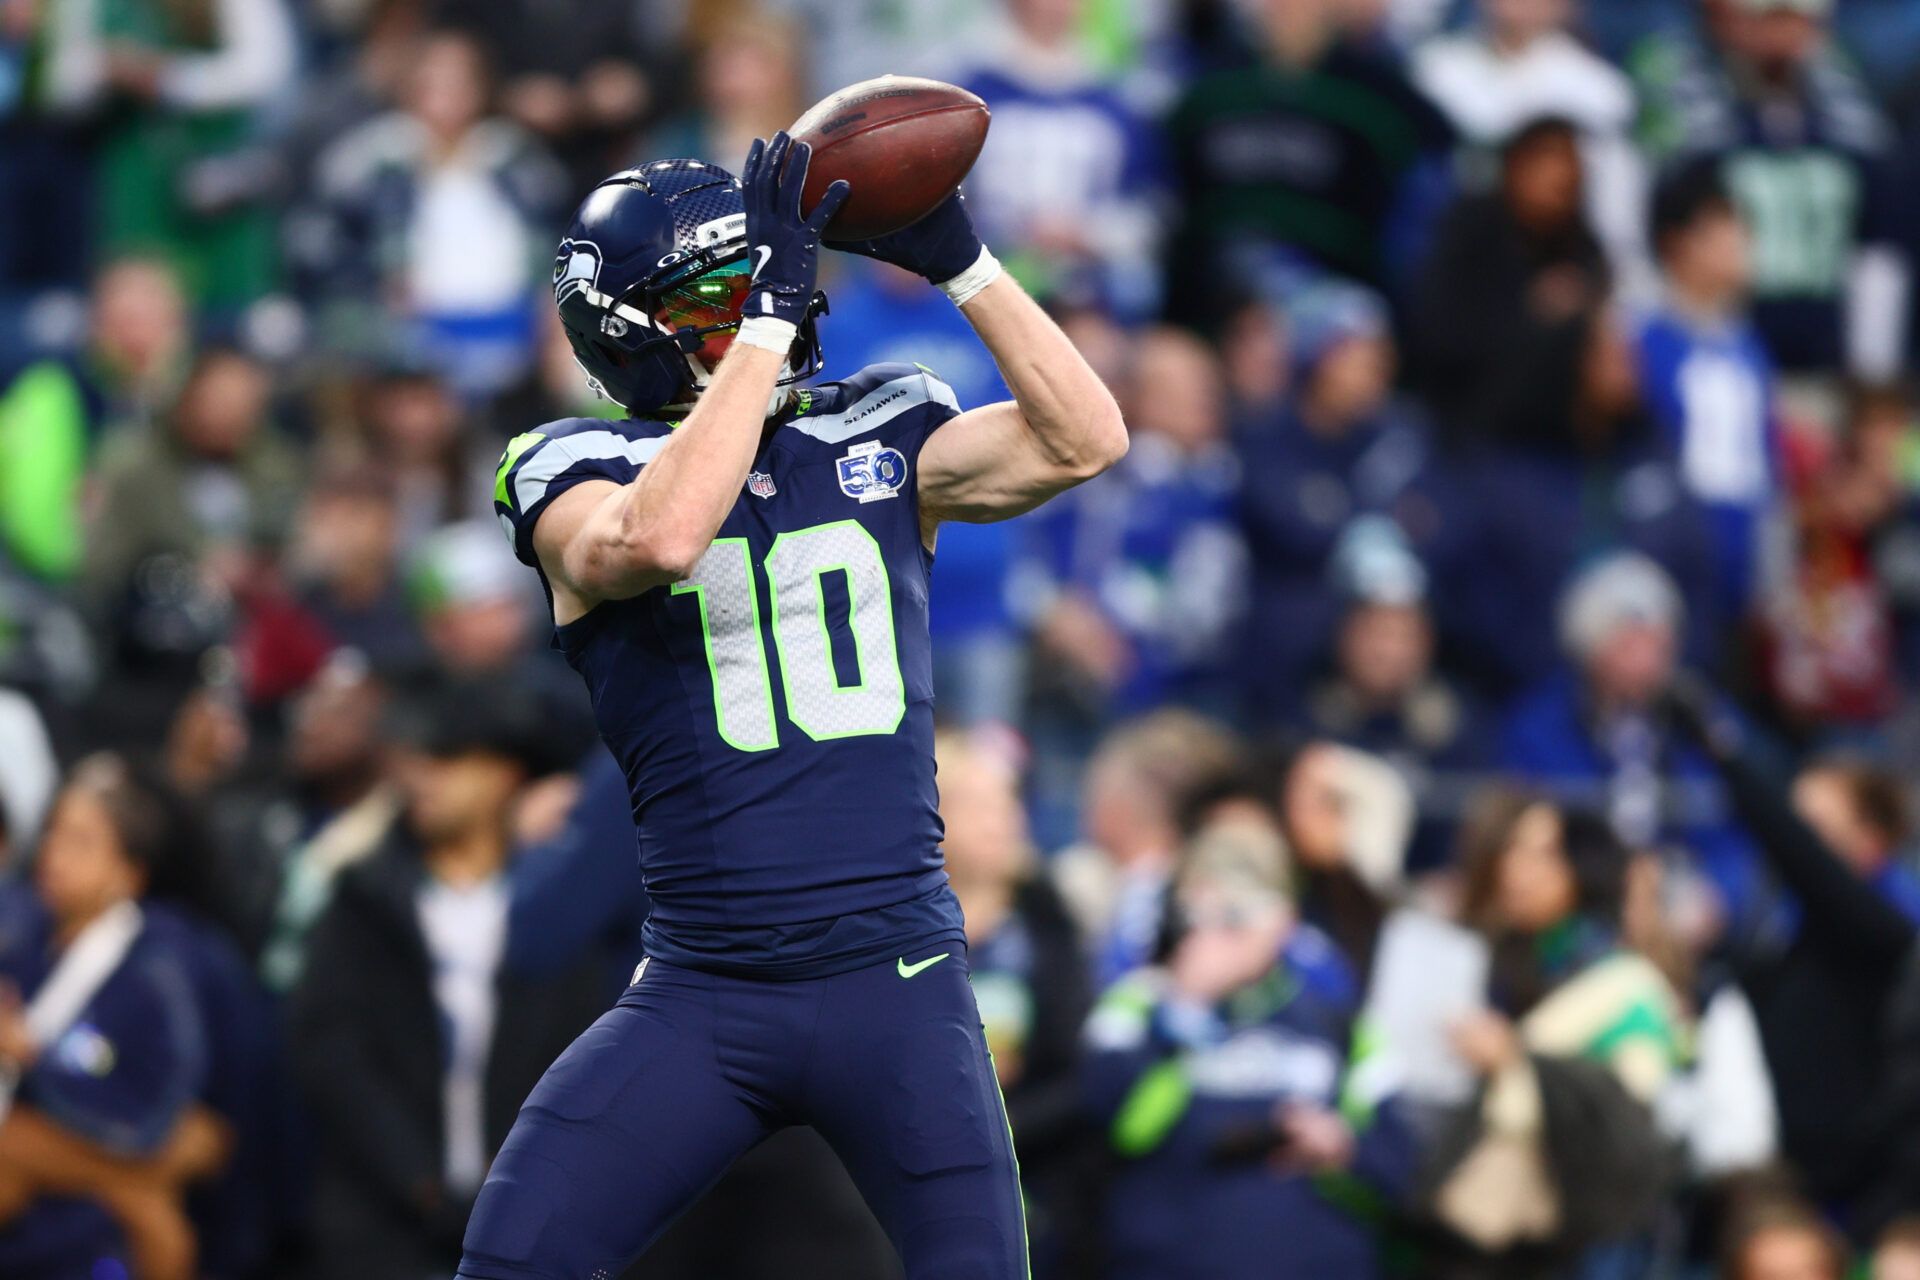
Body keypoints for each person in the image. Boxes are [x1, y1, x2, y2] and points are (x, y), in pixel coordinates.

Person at [460, 131, 1127, 1279]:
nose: (767, 301)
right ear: (629, 333)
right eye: (716, 294)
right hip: (706, 989)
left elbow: (1086, 438)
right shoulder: (566, 465)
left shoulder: (877, 428)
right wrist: (761, 331)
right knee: (512, 1260)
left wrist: (966, 263)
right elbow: (660, 537)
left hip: (898, 975)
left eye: (763, 273)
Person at [290, 689, 604, 1280]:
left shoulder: (559, 901)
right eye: (418, 758)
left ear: (506, 773)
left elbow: (586, 1040)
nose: (425, 777)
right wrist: (420, 1181)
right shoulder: (366, 895)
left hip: (532, 1221)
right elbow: (329, 1048)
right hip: (381, 1224)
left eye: (450, 757)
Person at [1080, 826, 1415, 1279]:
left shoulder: (1342, 1025)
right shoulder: (1138, 1005)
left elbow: (1401, 1171)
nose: (1221, 936)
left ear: (1286, 919)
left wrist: (1340, 1147)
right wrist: (1185, 1007)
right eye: (1205, 914)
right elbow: (1112, 1125)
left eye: (1239, 915)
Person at [1426, 793, 1687, 1276]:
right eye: (1514, 849)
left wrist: (1514, 1061)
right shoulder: (1494, 965)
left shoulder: (1626, 987)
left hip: (1580, 1244)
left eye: (1544, 853)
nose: (1518, 869)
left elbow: (1627, 1141)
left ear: (1584, 868)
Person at [1636, 166, 1782, 635]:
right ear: (1677, 243)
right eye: (1720, 228)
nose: (1739, 242)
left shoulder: (1749, 346)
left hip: (1742, 561)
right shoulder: (1642, 340)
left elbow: (1764, 458)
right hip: (1668, 560)